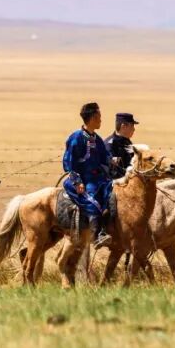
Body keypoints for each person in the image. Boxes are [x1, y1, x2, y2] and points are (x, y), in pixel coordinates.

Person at [62, 102, 114, 249]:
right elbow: (69, 162)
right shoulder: (76, 137)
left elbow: (104, 157)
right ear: (92, 118)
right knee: (93, 201)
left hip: (99, 179)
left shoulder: (97, 139)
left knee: (113, 194)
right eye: (99, 117)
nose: (101, 120)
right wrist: (77, 181)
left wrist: (112, 160)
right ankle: (96, 235)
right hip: (83, 180)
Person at [105, 112, 139, 179]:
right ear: (123, 126)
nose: (134, 129)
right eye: (132, 126)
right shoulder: (110, 145)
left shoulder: (127, 142)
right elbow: (113, 171)